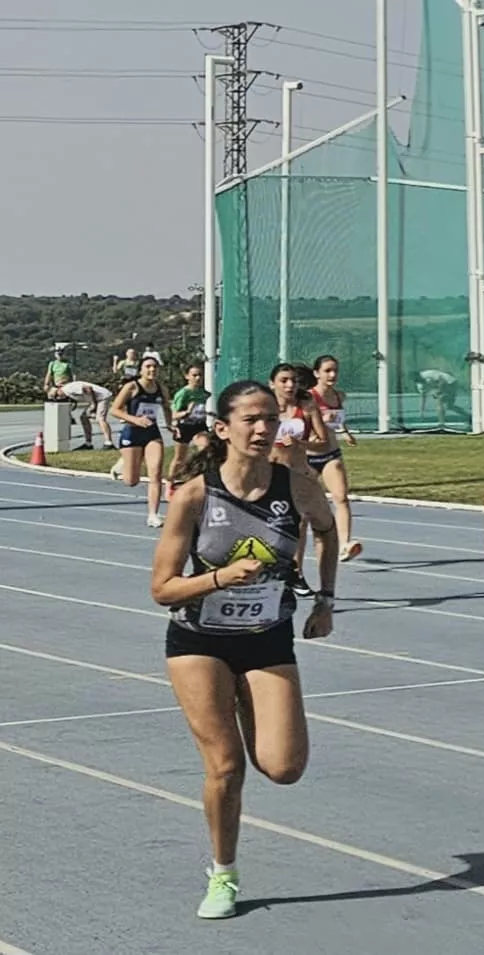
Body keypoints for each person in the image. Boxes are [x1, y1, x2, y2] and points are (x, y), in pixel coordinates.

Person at [150, 379, 339, 920]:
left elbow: (326, 531)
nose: (262, 429)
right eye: (250, 419)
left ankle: (243, 695)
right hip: (199, 642)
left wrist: (324, 599)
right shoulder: (194, 496)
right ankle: (223, 873)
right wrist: (220, 579)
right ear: (223, 428)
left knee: (283, 768)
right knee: (227, 766)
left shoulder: (297, 487)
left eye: (270, 418)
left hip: (267, 639)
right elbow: (162, 589)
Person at [269, 362, 326, 597]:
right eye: (284, 380)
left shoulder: (307, 406)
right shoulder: (265, 407)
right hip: (269, 472)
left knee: (300, 523)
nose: (290, 385)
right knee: (269, 523)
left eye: (293, 380)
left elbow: (323, 442)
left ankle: (296, 572)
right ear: (272, 384)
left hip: (298, 472)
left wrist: (302, 443)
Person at [308, 354, 362, 563]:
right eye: (327, 371)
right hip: (308, 456)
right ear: (316, 374)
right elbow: (300, 422)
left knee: (341, 498)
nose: (332, 375)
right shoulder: (309, 397)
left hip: (331, 454)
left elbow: (338, 418)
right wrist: (320, 419)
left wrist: (346, 432)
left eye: (335, 371)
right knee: (303, 506)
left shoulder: (338, 396)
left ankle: (344, 545)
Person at [109, 356, 172, 528]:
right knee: (131, 481)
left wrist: (170, 425)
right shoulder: (132, 387)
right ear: (141, 370)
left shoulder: (161, 388)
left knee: (156, 474)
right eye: (148, 366)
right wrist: (135, 420)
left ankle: (153, 515)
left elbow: (167, 408)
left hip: (152, 433)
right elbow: (114, 409)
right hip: (132, 432)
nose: (152, 370)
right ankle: (123, 462)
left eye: (155, 367)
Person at [167, 364, 211, 497]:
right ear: (187, 376)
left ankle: (200, 479)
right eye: (194, 375)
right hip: (184, 427)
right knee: (179, 458)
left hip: (199, 426)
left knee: (205, 448)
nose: (198, 378)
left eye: (200, 375)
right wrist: (187, 412)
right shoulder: (183, 393)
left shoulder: (204, 393)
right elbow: (173, 414)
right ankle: (170, 483)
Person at [48, 377, 115, 449]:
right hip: (97, 399)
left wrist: (93, 404)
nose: (58, 398)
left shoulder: (68, 389)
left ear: (59, 389)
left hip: (103, 397)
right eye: (56, 398)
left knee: (100, 419)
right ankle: (88, 443)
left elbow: (87, 388)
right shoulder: (68, 392)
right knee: (83, 418)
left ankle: (109, 443)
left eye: (56, 396)